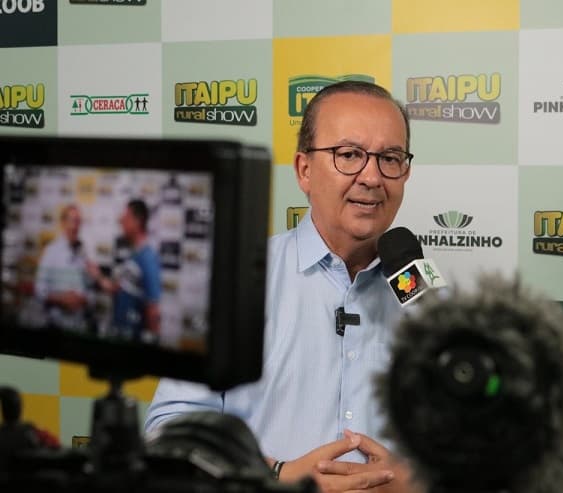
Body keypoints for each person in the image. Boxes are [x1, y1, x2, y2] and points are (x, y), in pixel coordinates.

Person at [145, 81, 421, 492]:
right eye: (349, 155)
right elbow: (168, 433)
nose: (372, 176)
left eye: (390, 158)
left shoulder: (427, 298)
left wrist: (418, 479)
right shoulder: (234, 281)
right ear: (304, 170)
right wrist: (272, 477)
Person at [90, 199, 161, 340]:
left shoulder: (148, 258)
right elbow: (117, 288)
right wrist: (97, 275)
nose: (121, 220)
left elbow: (153, 310)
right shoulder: (133, 255)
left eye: (126, 216)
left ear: (138, 221)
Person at [34, 204, 93, 332]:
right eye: (72, 220)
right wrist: (62, 299)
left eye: (78, 221)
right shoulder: (51, 252)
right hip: (55, 329)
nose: (76, 226)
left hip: (78, 327)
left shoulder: (83, 253)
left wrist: (81, 298)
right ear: (63, 222)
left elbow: (89, 290)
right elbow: (39, 290)